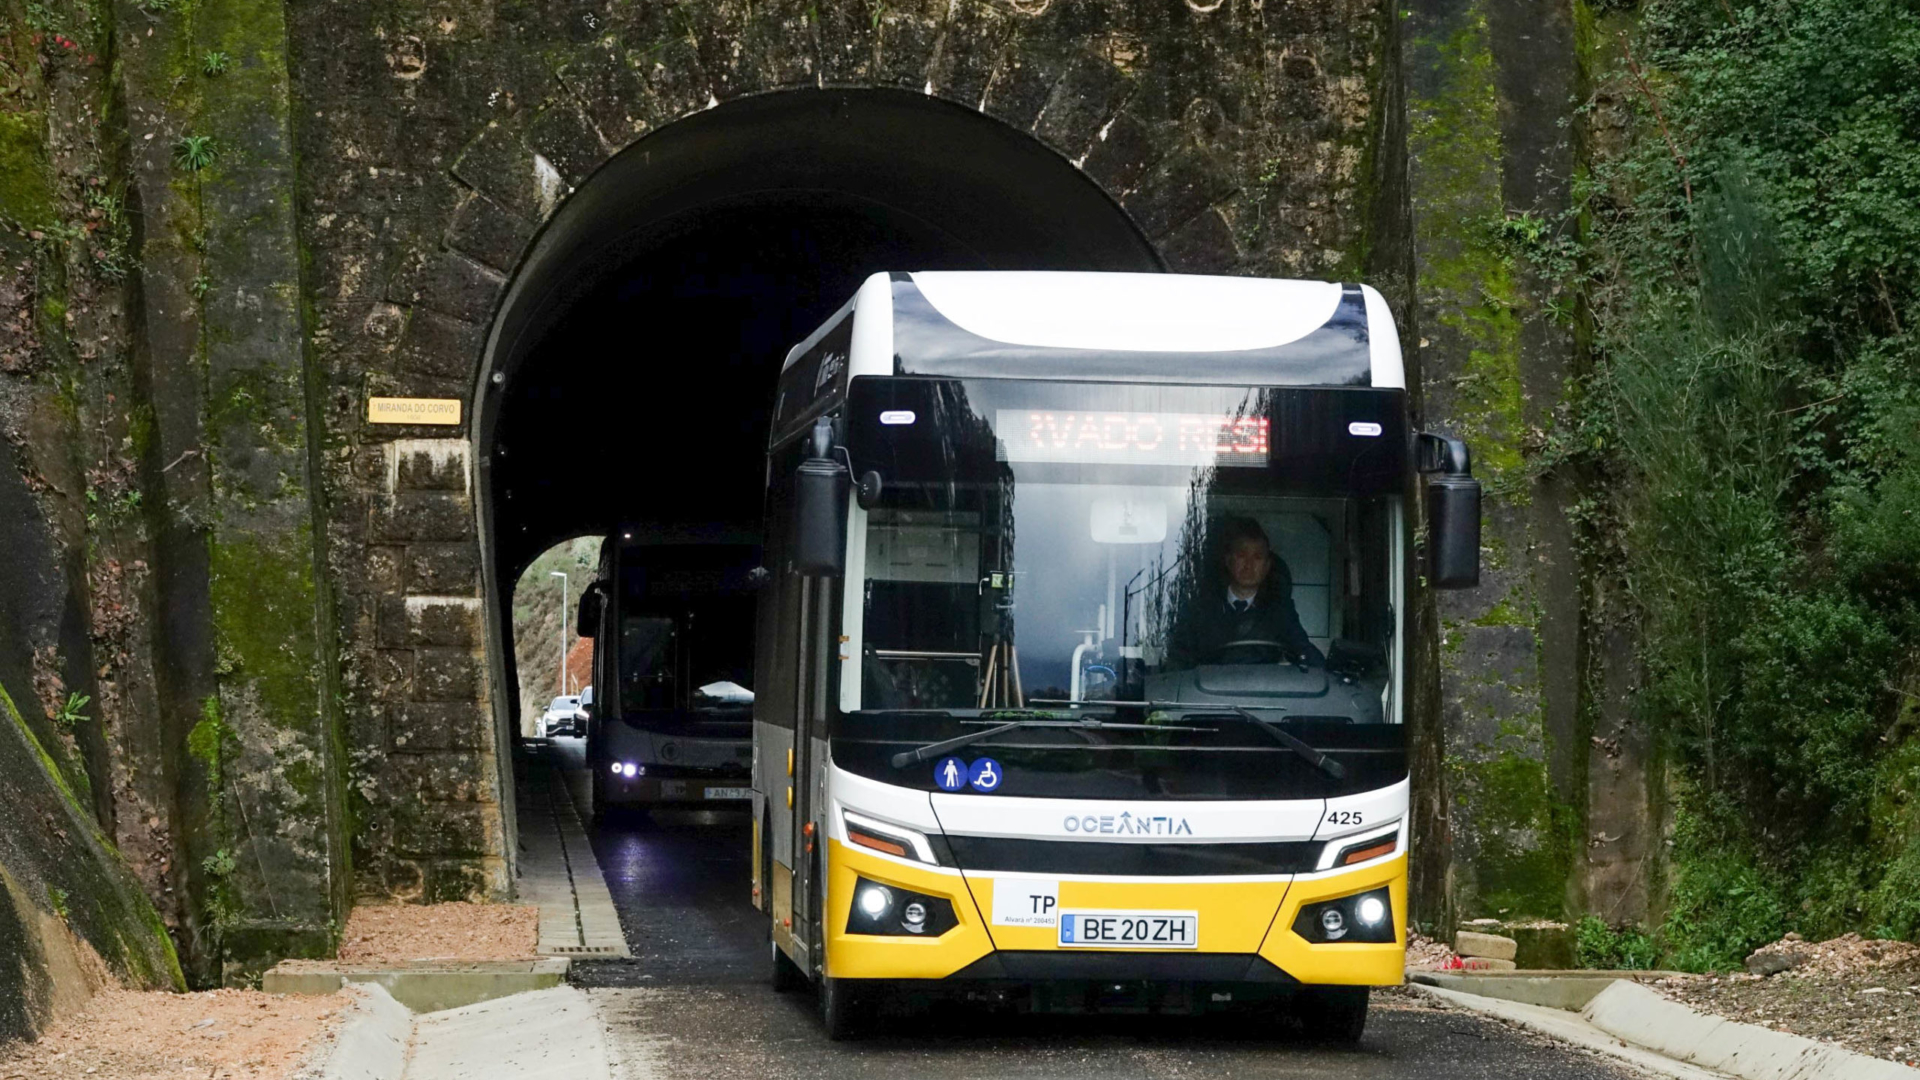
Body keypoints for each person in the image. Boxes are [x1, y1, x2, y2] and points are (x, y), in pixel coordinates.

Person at [1167, 516, 1323, 668]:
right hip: (1211, 685)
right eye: (1241, 555)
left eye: (1257, 557)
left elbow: (1305, 652)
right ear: (1229, 561)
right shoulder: (1200, 609)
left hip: (1263, 685)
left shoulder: (1280, 611)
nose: (1248, 565)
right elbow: (1178, 661)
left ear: (1267, 566)